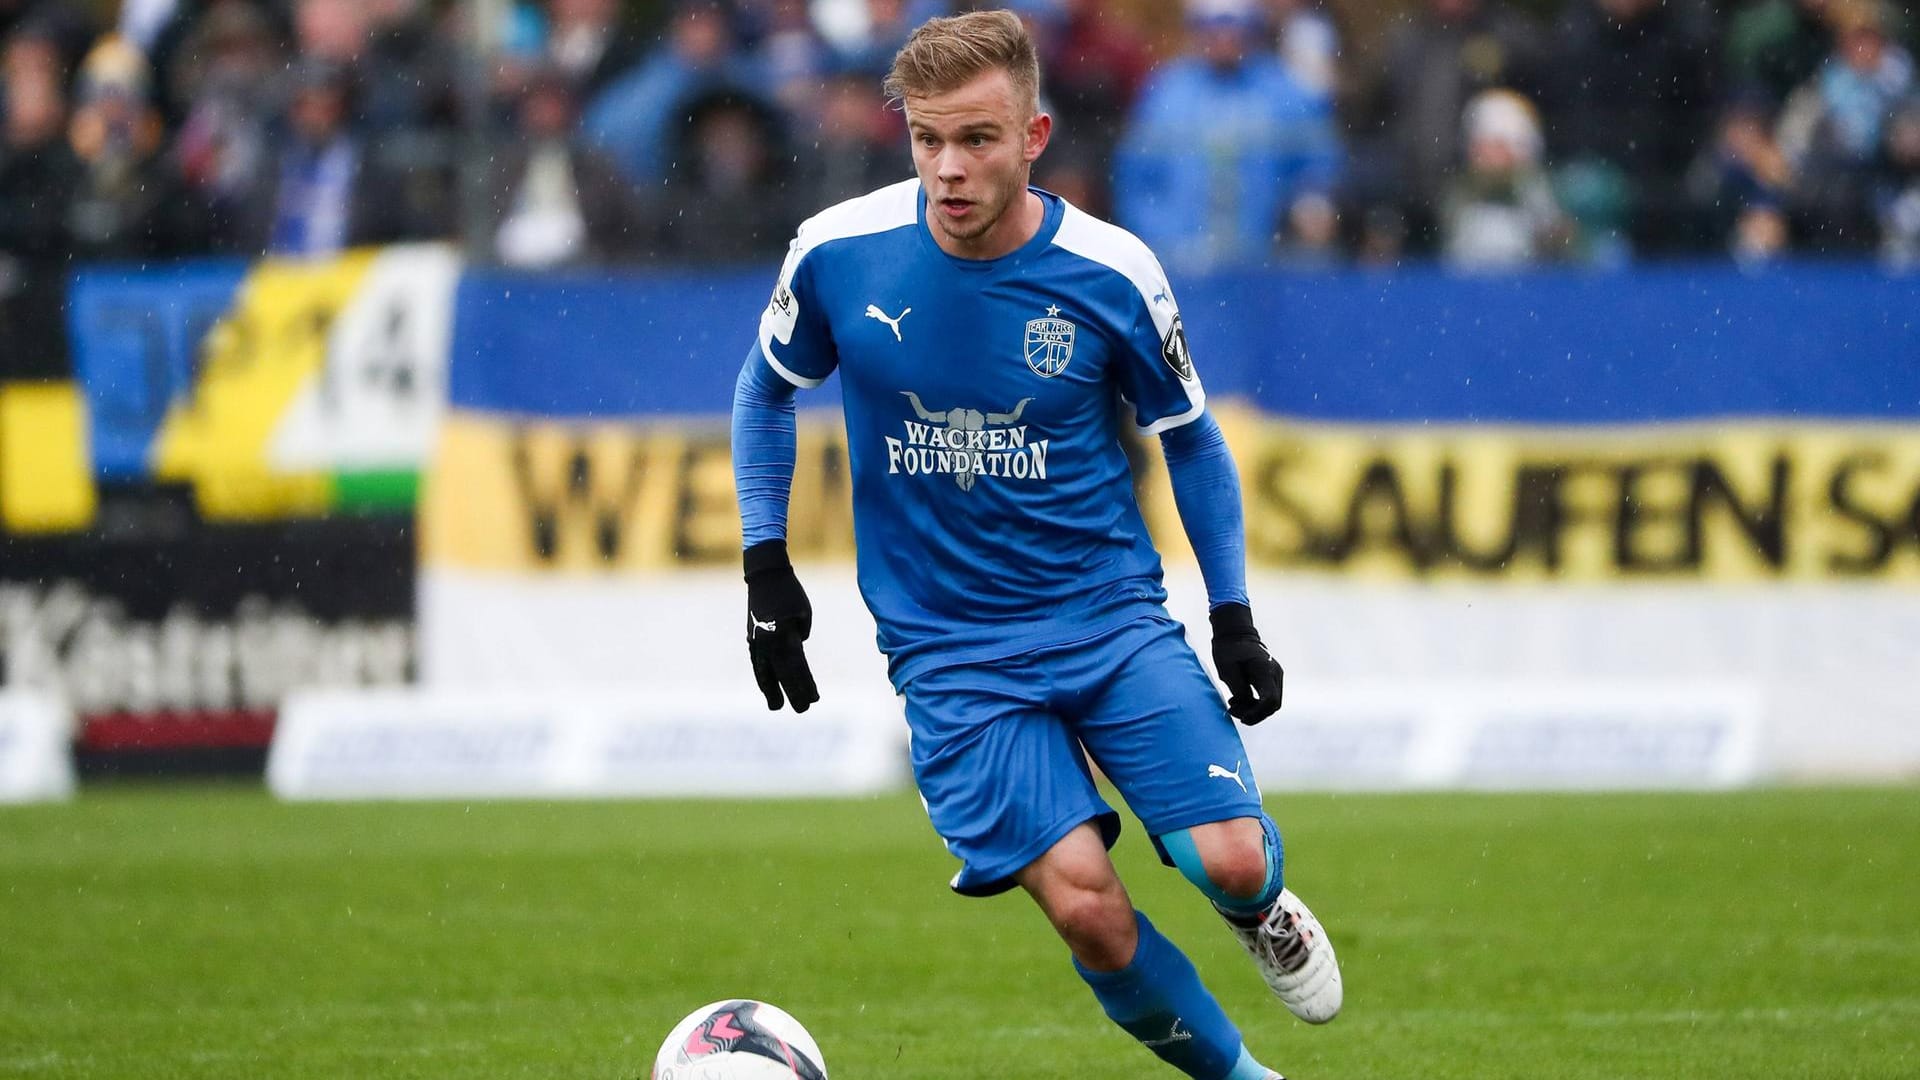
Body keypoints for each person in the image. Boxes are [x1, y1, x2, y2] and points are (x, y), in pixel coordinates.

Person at [729, 11, 1341, 1080]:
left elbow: (1190, 439)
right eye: (927, 141)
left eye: (977, 140)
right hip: (952, 653)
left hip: (1106, 617)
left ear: (1036, 134)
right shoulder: (838, 252)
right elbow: (765, 391)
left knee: (1233, 863)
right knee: (1090, 912)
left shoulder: (1113, 271)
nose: (949, 169)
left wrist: (1231, 613)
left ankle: (1261, 909)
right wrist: (763, 562)